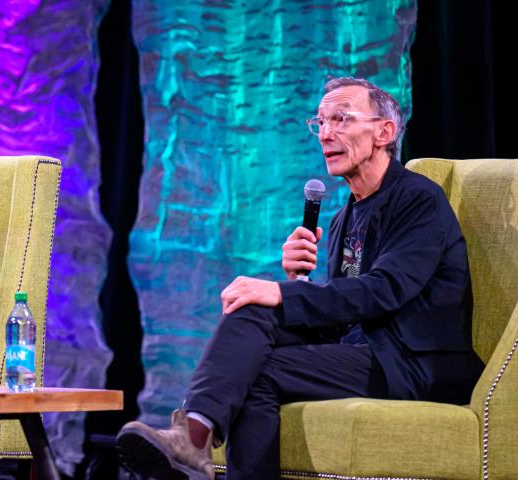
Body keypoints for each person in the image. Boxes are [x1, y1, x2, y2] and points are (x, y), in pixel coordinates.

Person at [116, 77, 485, 479]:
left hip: (411, 362)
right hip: (366, 351)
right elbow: (343, 316)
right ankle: (194, 435)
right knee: (252, 309)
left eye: (341, 119)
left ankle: (194, 438)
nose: (326, 133)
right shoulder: (347, 214)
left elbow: (385, 290)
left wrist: (282, 293)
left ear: (385, 132)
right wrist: (296, 284)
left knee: (262, 367)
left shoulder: (417, 199)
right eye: (321, 122)